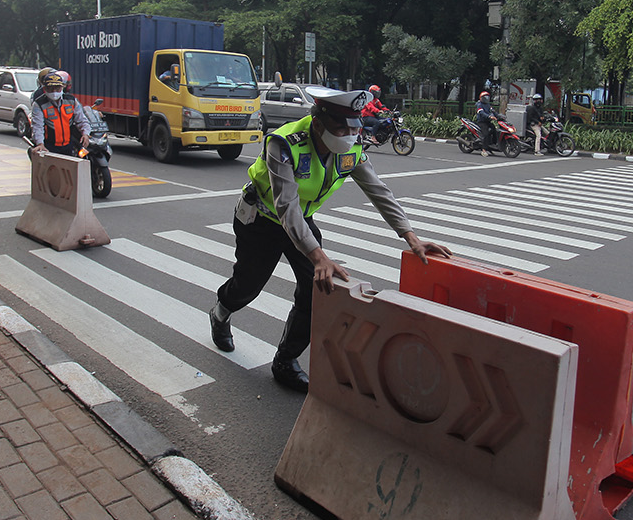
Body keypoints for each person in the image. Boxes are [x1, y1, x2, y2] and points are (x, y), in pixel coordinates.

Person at [209, 86, 451, 393]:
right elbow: (286, 205)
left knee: (318, 290)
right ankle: (221, 312)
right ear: (319, 122)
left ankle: (285, 360)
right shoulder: (283, 143)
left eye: (355, 128)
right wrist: (318, 254)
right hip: (262, 220)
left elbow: (377, 190)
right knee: (247, 286)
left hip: (302, 221)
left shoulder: (351, 147)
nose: (350, 135)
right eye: (342, 127)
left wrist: (411, 237)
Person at [29, 72, 90, 157]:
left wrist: (85, 134)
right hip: (49, 146)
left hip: (68, 145)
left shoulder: (71, 101)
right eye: (51, 88)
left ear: (62, 87)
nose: (54, 92)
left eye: (57, 88)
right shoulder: (39, 104)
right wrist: (40, 144)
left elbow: (81, 119)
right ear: (45, 89)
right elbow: (37, 126)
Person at [474, 90, 501, 157]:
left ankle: (493, 144)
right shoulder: (479, 104)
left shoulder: (488, 105)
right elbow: (481, 113)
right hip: (482, 122)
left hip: (488, 121)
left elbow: (493, 111)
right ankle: (483, 150)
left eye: (487, 97)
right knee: (485, 134)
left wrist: (499, 116)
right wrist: (489, 116)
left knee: (495, 130)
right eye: (484, 97)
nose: (486, 99)